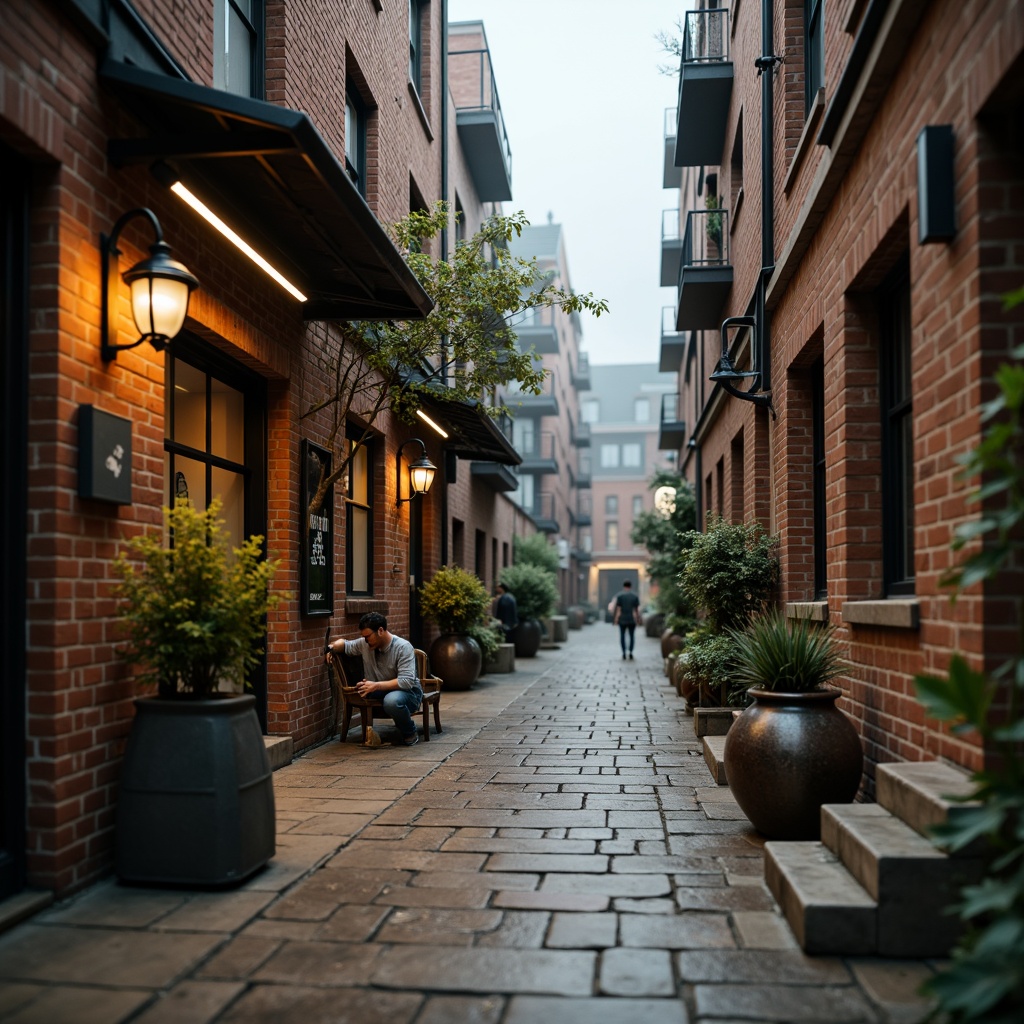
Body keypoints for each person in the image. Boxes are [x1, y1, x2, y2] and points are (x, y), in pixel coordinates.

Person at [325, 612, 423, 746]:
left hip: (409, 692)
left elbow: (406, 681)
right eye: (363, 637)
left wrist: (376, 686)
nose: (365, 640)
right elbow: (345, 644)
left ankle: (410, 732)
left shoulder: (403, 647)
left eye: (368, 636)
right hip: (381, 690)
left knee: (391, 701)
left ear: (381, 630)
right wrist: (331, 649)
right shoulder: (365, 644)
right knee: (361, 689)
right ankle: (371, 731)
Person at [612, 580, 641, 660]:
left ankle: (624, 652)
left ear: (623, 586)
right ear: (630, 586)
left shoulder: (620, 596)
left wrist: (616, 619)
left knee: (622, 636)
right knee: (632, 636)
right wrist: (638, 619)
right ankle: (631, 652)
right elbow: (636, 610)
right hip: (632, 619)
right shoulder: (634, 596)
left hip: (622, 619)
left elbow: (618, 609)